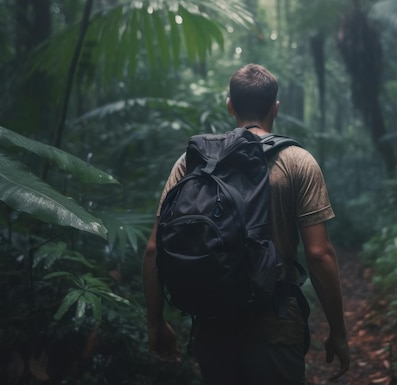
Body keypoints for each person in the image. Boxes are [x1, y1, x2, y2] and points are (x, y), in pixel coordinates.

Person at [142, 64, 350, 384]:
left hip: (213, 318)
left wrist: (155, 322)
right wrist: (337, 331)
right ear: (275, 108)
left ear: (230, 106)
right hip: (277, 322)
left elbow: (154, 248)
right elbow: (320, 254)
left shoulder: (192, 162)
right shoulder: (298, 160)